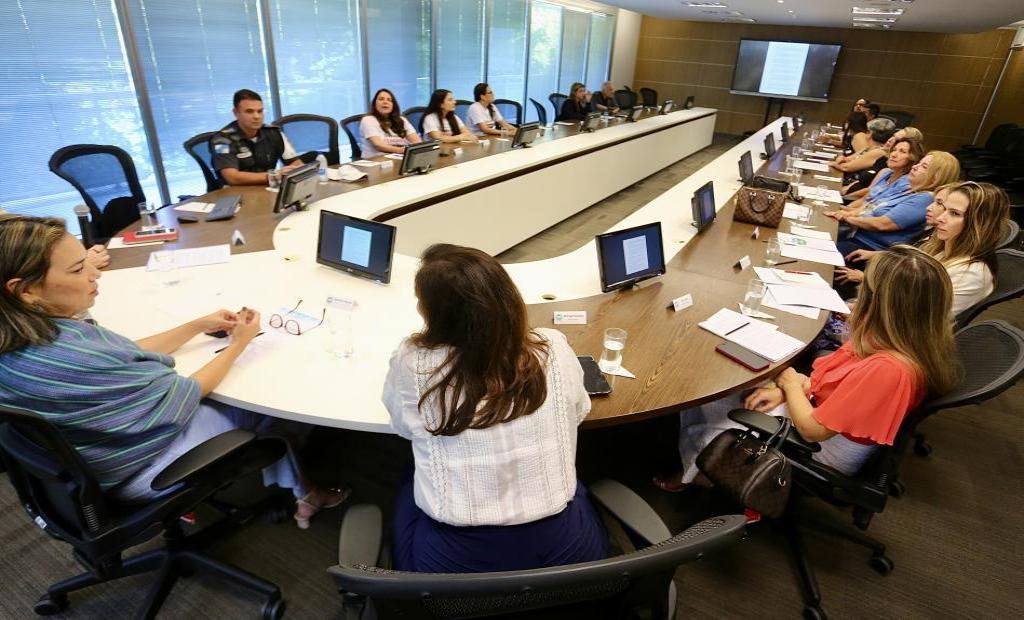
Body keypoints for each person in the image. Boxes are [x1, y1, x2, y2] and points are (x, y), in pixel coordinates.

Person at [0, 215, 347, 528]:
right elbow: (187, 392)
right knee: (267, 398)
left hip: (88, 463)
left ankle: (297, 483)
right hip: (139, 471)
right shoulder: (76, 354)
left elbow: (123, 353)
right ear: (24, 290)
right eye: (77, 270)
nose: (95, 273)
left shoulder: (26, 336)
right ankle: (307, 493)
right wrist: (240, 342)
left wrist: (196, 326)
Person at [655, 246, 959, 491]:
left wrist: (788, 384)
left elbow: (813, 431)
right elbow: (834, 384)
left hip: (821, 451)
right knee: (724, 388)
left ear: (882, 303)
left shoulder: (890, 369)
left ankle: (696, 472)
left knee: (722, 401)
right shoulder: (899, 340)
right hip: (819, 413)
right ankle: (694, 460)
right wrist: (791, 389)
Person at [382, 244, 607, 573]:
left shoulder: (413, 363)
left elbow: (403, 428)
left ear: (436, 314)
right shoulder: (552, 347)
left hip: (456, 563)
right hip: (568, 553)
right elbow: (579, 412)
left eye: (422, 301)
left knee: (405, 482)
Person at [837, 182, 1010, 315]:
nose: (941, 218)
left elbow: (913, 321)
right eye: (945, 209)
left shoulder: (972, 273)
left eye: (954, 213)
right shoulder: (941, 250)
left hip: (893, 347)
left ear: (979, 224)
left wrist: (859, 312)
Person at [826, 144, 961, 255]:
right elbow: (869, 204)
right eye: (919, 163)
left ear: (936, 177)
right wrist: (844, 212)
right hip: (855, 235)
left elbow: (882, 224)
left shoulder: (925, 199)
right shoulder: (907, 187)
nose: (915, 167)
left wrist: (846, 217)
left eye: (923, 167)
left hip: (869, 249)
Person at [210, 89, 305, 186]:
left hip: (268, 189)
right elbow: (232, 178)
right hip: (236, 194)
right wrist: (274, 175)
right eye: (249, 111)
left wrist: (299, 171)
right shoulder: (222, 140)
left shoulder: (274, 133)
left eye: (260, 111)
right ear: (236, 113)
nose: (256, 116)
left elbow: (294, 162)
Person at [832, 117, 895, 198]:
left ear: (870, 133)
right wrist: (840, 160)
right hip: (846, 185)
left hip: (849, 189)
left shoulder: (878, 152)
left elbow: (845, 167)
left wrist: (835, 162)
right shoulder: (868, 148)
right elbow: (845, 159)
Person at [359, 88, 422, 158]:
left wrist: (411, 150)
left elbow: (416, 141)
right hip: (375, 161)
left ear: (393, 105)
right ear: (374, 104)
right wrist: (402, 150)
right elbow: (378, 145)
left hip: (398, 158)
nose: (385, 102)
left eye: (389, 100)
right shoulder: (368, 120)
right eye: (381, 99)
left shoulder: (401, 120)